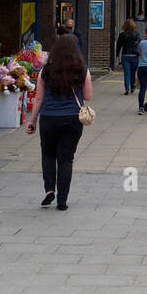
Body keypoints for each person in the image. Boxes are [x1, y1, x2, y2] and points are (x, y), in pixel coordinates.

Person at [25, 34, 92, 211]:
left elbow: (38, 98)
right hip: (72, 120)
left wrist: (32, 121)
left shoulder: (45, 71)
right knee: (66, 159)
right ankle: (62, 200)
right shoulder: (82, 70)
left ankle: (49, 190)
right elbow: (88, 96)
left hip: (48, 118)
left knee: (48, 154)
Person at [115, 18, 141, 95]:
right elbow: (139, 45)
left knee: (126, 73)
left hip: (125, 55)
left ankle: (127, 89)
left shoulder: (122, 35)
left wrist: (117, 54)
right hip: (134, 56)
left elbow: (119, 45)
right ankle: (132, 87)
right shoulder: (137, 34)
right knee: (133, 73)